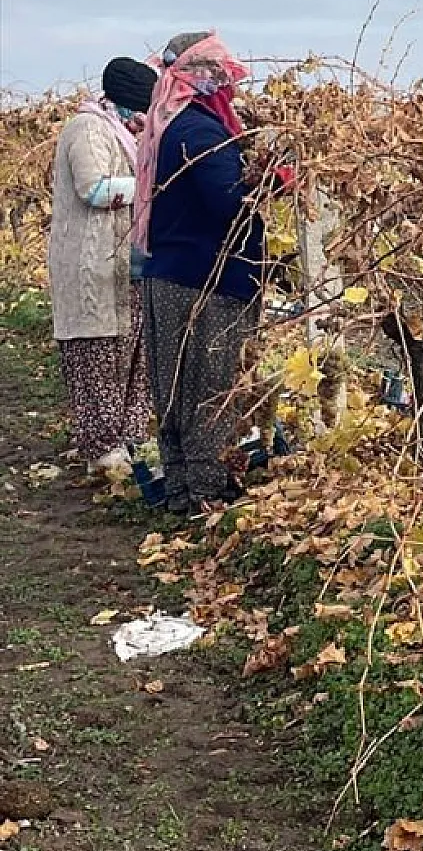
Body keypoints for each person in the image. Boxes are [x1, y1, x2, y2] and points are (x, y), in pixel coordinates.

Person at [134, 32, 265, 513]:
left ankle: (180, 490)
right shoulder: (203, 132)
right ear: (205, 77)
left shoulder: (171, 124)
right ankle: (204, 494)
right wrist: (273, 182)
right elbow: (229, 202)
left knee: (173, 388)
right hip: (205, 281)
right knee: (210, 387)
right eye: (225, 75)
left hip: (169, 273)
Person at [48, 57, 158, 473]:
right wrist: (155, 184)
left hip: (125, 265)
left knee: (130, 354)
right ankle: (102, 449)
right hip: (90, 265)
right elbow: (94, 188)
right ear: (124, 104)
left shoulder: (125, 134)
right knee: (97, 354)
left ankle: (129, 442)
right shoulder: (88, 129)